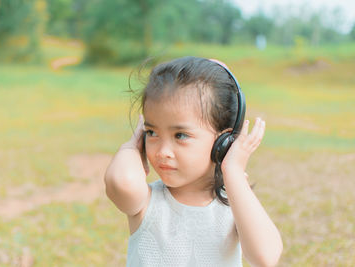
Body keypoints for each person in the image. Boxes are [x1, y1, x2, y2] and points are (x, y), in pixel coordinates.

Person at [104, 56, 283, 266]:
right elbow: (120, 181)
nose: (163, 151)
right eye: (151, 132)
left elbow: (266, 257)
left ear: (223, 142)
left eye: (180, 135)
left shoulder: (233, 200)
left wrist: (232, 171)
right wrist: (131, 146)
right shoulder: (146, 202)